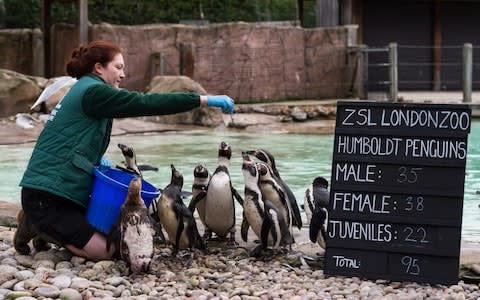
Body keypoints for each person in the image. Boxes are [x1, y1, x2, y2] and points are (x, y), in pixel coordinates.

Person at [14, 40, 235, 261]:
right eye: (118, 67)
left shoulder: (85, 89)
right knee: (111, 251)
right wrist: (203, 100)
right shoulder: (94, 92)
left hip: (56, 194)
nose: (122, 74)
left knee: (116, 237)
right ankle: (36, 222)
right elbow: (144, 102)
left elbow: (71, 141)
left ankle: (43, 223)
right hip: (48, 197)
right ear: (99, 68)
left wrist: (96, 163)